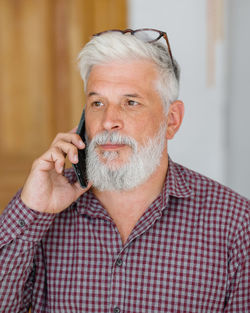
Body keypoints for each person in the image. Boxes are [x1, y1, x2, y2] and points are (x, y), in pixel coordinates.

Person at [0, 29, 249, 313]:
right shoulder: (44, 212)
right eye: (98, 103)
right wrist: (31, 209)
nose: (109, 121)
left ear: (172, 120)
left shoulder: (235, 224)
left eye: (131, 102)